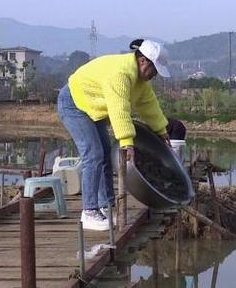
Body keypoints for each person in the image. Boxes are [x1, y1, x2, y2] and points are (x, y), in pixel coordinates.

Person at [57, 39, 171, 230]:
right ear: (143, 61)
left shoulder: (140, 81)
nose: (154, 75)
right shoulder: (121, 73)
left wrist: (161, 130)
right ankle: (89, 212)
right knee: (93, 155)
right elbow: (119, 109)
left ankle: (106, 206)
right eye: (154, 70)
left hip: (93, 107)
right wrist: (127, 142)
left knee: (104, 154)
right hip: (74, 104)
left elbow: (149, 105)